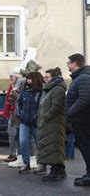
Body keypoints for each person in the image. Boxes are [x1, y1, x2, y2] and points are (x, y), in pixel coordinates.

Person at [36, 67, 67, 180]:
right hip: (48, 123)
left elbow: (57, 106)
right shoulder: (49, 89)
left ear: (53, 78)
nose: (44, 79)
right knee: (52, 147)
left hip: (53, 123)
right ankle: (59, 169)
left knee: (53, 147)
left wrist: (46, 117)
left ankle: (55, 170)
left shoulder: (57, 89)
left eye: (47, 77)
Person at [65, 53, 90, 186]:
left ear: (75, 63)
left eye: (68, 62)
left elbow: (85, 98)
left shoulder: (83, 77)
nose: (67, 65)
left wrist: (70, 111)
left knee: (87, 148)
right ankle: (88, 173)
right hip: (81, 120)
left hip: (83, 120)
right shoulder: (80, 77)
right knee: (85, 148)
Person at [17, 72, 44, 174]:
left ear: (36, 79)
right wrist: (20, 114)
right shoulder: (25, 90)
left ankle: (42, 165)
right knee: (23, 141)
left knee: (39, 143)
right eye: (27, 79)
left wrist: (37, 116)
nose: (28, 81)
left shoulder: (41, 91)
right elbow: (19, 102)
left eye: (30, 79)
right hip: (24, 121)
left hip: (36, 122)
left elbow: (42, 106)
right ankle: (26, 164)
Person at [4, 68, 21, 162]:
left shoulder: (20, 86)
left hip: (18, 113)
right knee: (11, 134)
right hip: (12, 113)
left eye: (13, 76)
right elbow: (7, 100)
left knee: (17, 135)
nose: (11, 78)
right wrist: (6, 112)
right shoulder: (11, 86)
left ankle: (18, 155)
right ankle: (13, 154)